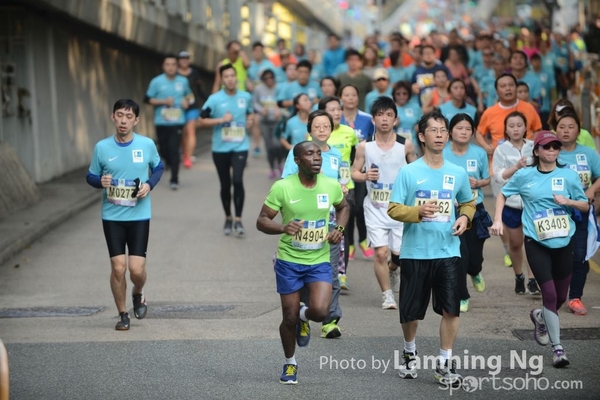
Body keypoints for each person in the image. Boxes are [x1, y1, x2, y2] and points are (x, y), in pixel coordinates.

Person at [387, 111, 475, 386]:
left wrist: (464, 217)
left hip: (449, 251)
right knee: (411, 311)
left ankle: (444, 364)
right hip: (415, 252)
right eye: (433, 130)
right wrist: (417, 211)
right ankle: (410, 353)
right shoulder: (409, 171)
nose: (439, 135)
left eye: (443, 130)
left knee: (452, 309)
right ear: (422, 136)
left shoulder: (457, 172)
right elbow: (393, 208)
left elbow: (468, 202)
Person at [490, 131, 588, 368]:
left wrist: (569, 202)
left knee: (561, 298)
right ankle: (558, 349)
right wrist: (497, 219)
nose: (551, 150)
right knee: (551, 295)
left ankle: (540, 316)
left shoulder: (568, 176)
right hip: (536, 242)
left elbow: (585, 205)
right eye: (546, 147)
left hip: (564, 242)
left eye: (555, 147)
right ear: (536, 151)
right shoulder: (525, 175)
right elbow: (503, 194)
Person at [256, 140, 349, 385]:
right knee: (288, 318)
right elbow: (262, 220)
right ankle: (290, 363)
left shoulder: (330, 185)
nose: (317, 158)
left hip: (319, 259)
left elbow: (343, 207)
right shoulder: (283, 187)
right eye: (310, 154)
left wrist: (338, 228)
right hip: (289, 261)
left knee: (320, 311)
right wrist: (282, 227)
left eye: (319, 154)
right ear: (297, 161)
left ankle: (304, 318)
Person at [86, 99, 164, 330]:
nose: (123, 120)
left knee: (136, 271)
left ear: (136, 120)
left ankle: (138, 293)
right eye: (119, 115)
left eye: (128, 116)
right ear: (112, 117)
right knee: (118, 267)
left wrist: (149, 185)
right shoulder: (102, 147)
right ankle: (122, 314)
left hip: (139, 215)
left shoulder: (146, 144)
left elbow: (159, 167)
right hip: (112, 216)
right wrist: (100, 181)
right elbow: (90, 177)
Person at [281, 110, 346, 339]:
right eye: (316, 126)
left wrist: (343, 188)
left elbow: (342, 183)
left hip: (329, 224)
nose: (321, 130)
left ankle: (330, 320)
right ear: (309, 130)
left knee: (332, 273)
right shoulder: (297, 152)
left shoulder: (337, 154)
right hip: (304, 224)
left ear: (332, 128)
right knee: (307, 275)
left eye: (326, 126)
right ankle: (304, 314)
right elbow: (286, 182)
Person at [352, 96, 417, 309]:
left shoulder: (405, 145)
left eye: (389, 115)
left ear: (396, 120)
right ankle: (387, 295)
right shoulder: (364, 147)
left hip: (399, 208)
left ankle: (394, 268)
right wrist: (364, 176)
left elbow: (416, 171)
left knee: (398, 255)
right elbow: (354, 172)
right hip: (375, 208)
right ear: (373, 120)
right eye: (380, 115)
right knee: (380, 252)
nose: (384, 119)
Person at [443, 114, 490, 312]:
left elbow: (487, 179)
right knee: (459, 254)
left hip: (475, 209)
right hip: (452, 210)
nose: (463, 132)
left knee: (474, 257)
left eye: (468, 129)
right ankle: (462, 295)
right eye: (459, 128)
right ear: (451, 131)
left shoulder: (479, 153)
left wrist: (478, 183)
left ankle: (476, 271)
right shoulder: (442, 152)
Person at [198, 64, 253, 236]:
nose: (230, 79)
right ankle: (228, 217)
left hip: (240, 146)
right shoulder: (214, 99)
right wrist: (221, 120)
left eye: (232, 75)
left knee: (237, 180)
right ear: (222, 80)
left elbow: (250, 113)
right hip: (220, 148)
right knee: (225, 184)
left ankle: (239, 219)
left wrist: (250, 121)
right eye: (226, 76)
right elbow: (201, 120)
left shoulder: (246, 96)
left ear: (237, 78)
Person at [554, 112, 600, 315]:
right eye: (562, 126)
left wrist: (591, 190)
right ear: (555, 130)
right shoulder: (550, 151)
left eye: (570, 127)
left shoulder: (588, 153)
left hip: (581, 212)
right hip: (556, 214)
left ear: (578, 130)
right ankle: (554, 292)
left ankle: (575, 297)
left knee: (579, 256)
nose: (565, 130)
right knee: (558, 254)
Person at [493, 112, 539, 295]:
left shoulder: (534, 147)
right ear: (505, 129)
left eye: (519, 125)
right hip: (511, 204)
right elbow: (498, 176)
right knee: (515, 244)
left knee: (533, 242)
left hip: (532, 203)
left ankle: (533, 280)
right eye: (511, 126)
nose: (515, 129)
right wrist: (516, 167)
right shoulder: (501, 150)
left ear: (526, 127)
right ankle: (518, 275)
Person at [318, 96, 359, 289]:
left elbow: (354, 156)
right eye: (331, 109)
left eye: (338, 109)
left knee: (344, 228)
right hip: (322, 191)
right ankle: (323, 267)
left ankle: (342, 273)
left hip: (345, 186)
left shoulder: (349, 132)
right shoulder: (316, 137)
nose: (336, 113)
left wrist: (348, 176)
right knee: (326, 226)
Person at [145, 54, 191, 190]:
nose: (171, 67)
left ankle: (174, 179)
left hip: (177, 121)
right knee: (164, 149)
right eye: (168, 64)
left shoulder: (183, 81)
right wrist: (163, 101)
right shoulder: (156, 82)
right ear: (164, 66)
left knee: (175, 149)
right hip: (161, 121)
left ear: (177, 66)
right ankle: (169, 161)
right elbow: (147, 99)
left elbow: (189, 96)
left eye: (173, 64)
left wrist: (186, 101)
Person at [253, 69, 283, 179]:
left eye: (271, 77)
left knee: (277, 145)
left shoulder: (279, 88)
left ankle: (279, 163)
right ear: (263, 80)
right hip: (264, 121)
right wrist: (261, 110)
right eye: (266, 78)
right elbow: (254, 103)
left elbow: (283, 102)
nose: (269, 80)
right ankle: (271, 168)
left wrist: (279, 110)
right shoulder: (258, 89)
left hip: (276, 121)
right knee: (269, 147)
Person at [177, 51, 204, 169]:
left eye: (186, 58)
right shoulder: (174, 74)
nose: (184, 60)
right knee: (183, 132)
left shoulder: (195, 73)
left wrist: (208, 101)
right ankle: (185, 153)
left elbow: (200, 90)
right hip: (178, 107)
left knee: (190, 130)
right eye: (182, 58)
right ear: (178, 61)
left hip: (192, 106)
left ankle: (189, 156)